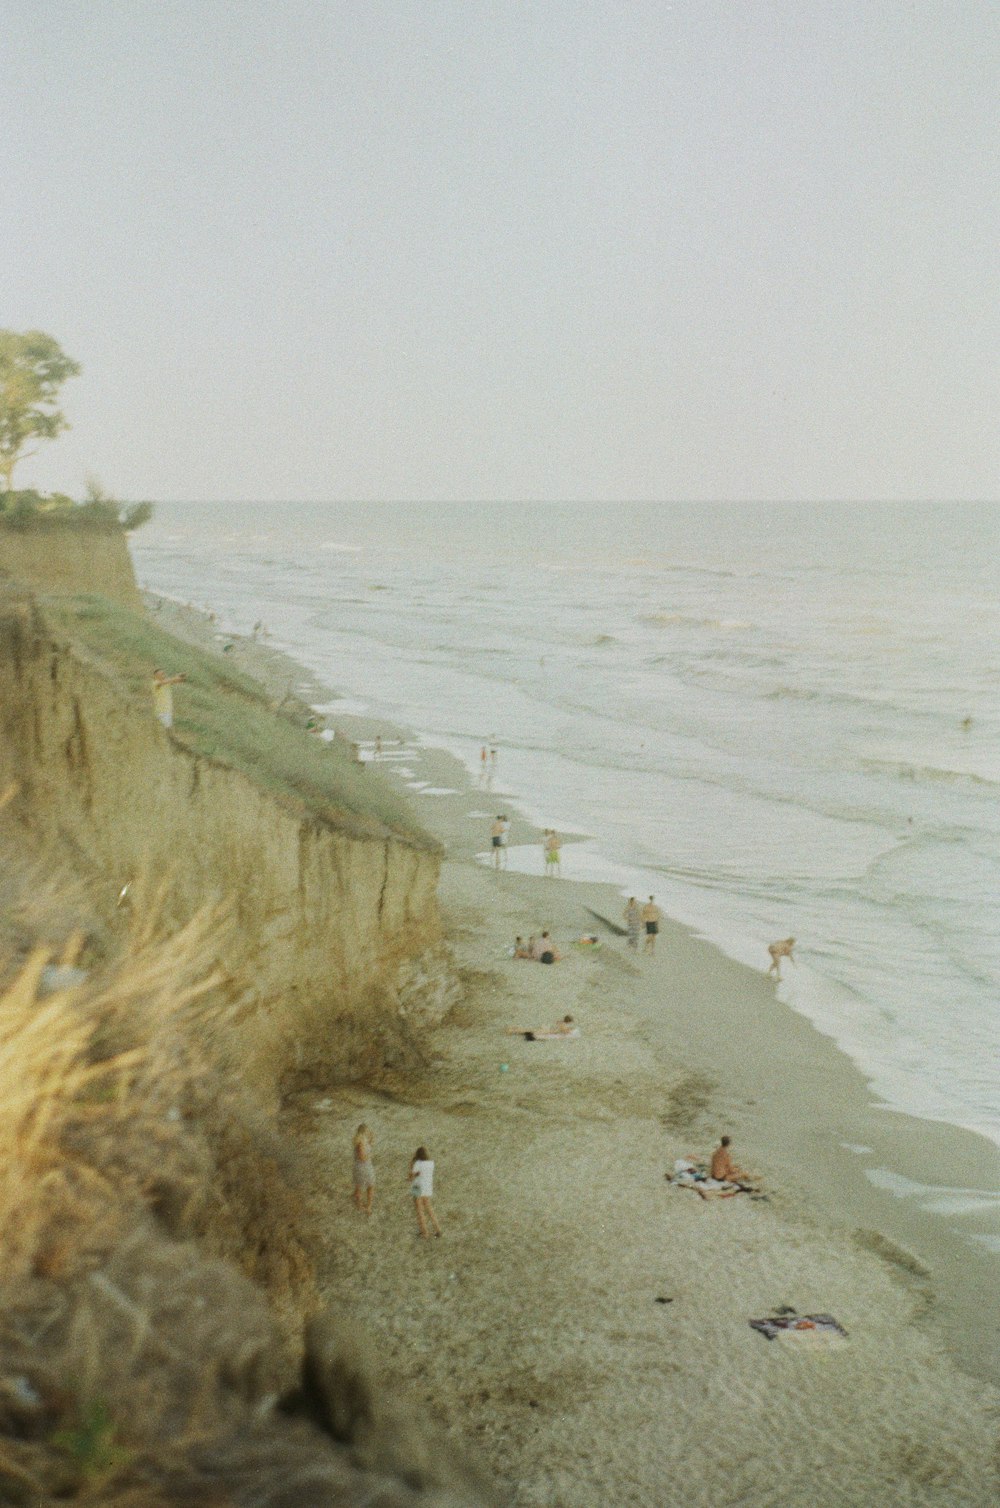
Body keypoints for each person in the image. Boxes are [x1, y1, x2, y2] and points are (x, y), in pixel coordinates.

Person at [409, 1146, 441, 1237]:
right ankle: (437, 1229)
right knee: (429, 1209)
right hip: (427, 1187)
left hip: (417, 1187)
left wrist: (411, 1165)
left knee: (419, 1210)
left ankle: (424, 1232)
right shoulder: (431, 1163)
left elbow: (411, 1176)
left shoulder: (418, 1163)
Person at [352, 1124, 375, 1214]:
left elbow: (369, 1144)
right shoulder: (361, 1143)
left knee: (359, 1186)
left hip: (361, 1167)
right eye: (368, 1131)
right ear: (364, 1132)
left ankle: (359, 1202)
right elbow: (362, 1157)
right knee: (370, 1186)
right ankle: (364, 1206)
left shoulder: (361, 1141)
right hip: (364, 1167)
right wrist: (370, 1155)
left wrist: (371, 1141)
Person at [506, 1015, 578, 1041]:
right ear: (568, 1022)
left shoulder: (561, 1022)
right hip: (546, 1031)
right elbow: (565, 1032)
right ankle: (512, 1031)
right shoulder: (563, 1025)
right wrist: (570, 1030)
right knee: (529, 1031)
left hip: (547, 1029)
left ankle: (514, 1029)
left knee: (529, 1030)